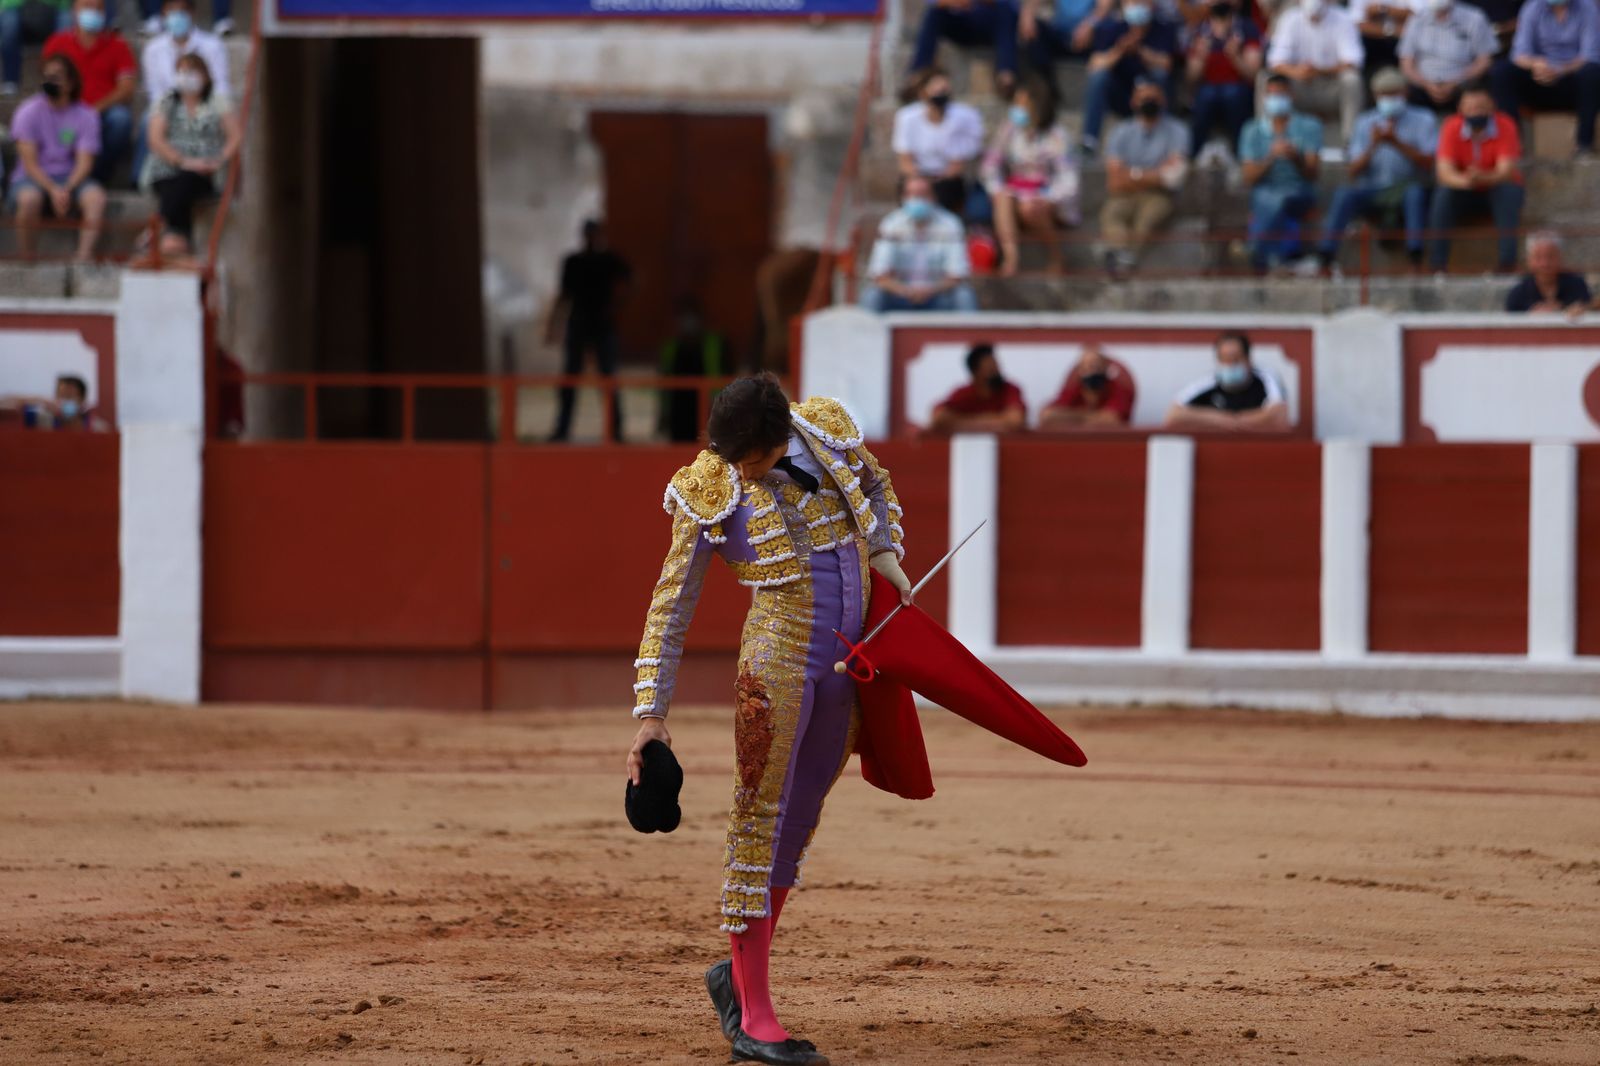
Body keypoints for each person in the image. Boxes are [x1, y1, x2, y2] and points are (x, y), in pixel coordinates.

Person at [628, 378, 913, 1066]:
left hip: (847, 663)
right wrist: (650, 716)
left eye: (749, 460)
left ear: (778, 437)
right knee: (759, 815)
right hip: (778, 658)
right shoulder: (710, 484)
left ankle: (737, 972)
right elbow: (672, 602)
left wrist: (883, 553)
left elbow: (877, 488)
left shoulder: (824, 431)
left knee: (800, 816)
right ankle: (754, 1015)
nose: (738, 473)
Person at [1316, 67, 1439, 270]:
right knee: (1344, 193)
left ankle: (1415, 253)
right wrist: (1374, 145)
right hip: (1372, 189)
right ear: (1375, 96)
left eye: (1394, 94)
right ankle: (1326, 253)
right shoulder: (1365, 122)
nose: (1389, 99)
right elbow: (1353, 170)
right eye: (1384, 94)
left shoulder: (1423, 119)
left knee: (1414, 194)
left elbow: (1429, 163)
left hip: (1407, 187)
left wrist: (1396, 142)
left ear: (1405, 92)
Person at [139, 52, 239, 259]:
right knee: (177, 181)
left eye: (192, 71)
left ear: (204, 75)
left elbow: (235, 136)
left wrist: (219, 159)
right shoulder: (167, 101)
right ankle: (177, 237)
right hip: (168, 166)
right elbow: (155, 139)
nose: (186, 76)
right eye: (182, 71)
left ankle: (159, 227)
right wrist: (183, 161)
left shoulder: (216, 101)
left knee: (188, 180)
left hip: (206, 170)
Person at [7, 52, 104, 261]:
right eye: (47, 77)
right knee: (29, 199)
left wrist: (66, 188)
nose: (50, 82)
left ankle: (82, 259)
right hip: (32, 179)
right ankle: (28, 259)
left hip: (70, 178)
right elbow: (29, 163)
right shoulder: (27, 112)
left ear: (70, 83)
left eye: (57, 77)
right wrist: (53, 189)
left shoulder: (87, 115)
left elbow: (85, 162)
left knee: (96, 198)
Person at [980, 78, 1080, 275]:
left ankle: (1056, 255)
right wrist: (995, 187)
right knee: (1003, 197)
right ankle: (1011, 257)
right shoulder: (1009, 130)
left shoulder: (1057, 137)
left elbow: (1068, 178)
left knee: (1030, 209)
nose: (1017, 109)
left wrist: (1048, 197)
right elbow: (990, 164)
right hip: (1016, 190)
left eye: (1022, 104)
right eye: (1016, 104)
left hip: (1046, 194)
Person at [546, 219, 631, 442]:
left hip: (602, 325)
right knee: (570, 380)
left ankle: (616, 430)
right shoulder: (574, 262)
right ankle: (562, 429)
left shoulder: (608, 260)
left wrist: (617, 307)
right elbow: (564, 296)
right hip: (580, 324)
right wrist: (553, 326)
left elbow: (632, 281)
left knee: (608, 379)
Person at [1428, 80, 1524, 271]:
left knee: (1508, 192)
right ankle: (1437, 265)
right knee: (1443, 195)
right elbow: (1444, 172)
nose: (1476, 112)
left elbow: (1505, 171)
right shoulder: (1450, 126)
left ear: (1492, 107)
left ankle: (1507, 263)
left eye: (1481, 107)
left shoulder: (1505, 124)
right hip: (1465, 188)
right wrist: (1467, 181)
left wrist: (1483, 178)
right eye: (1470, 108)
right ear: (1460, 109)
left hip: (1496, 188)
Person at [1101, 77, 1190, 276]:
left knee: (1148, 219)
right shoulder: (1120, 132)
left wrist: (1131, 174)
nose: (1149, 102)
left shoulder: (1178, 131)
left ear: (1163, 100)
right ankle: (1120, 257)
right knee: (1112, 214)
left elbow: (1173, 178)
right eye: (1144, 98)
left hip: (1160, 196)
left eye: (1154, 97)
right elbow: (1114, 181)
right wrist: (1155, 174)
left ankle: (1126, 262)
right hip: (1125, 195)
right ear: (1133, 101)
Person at [42, 0, 134, 185]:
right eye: (86, 6)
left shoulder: (117, 45)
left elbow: (127, 87)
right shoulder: (57, 42)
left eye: (98, 8)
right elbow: (47, 82)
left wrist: (94, 110)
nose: (92, 12)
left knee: (121, 119)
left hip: (102, 112)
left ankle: (97, 174)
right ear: (74, 11)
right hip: (65, 110)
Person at [1492, 0, 1600, 157]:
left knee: (1592, 73)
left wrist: (1560, 69)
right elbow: (1519, 55)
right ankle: (1514, 146)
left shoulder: (1588, 7)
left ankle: (1584, 145)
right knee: (1502, 72)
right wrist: (1537, 64)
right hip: (1539, 78)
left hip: (1574, 79)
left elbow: (1591, 55)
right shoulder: (1532, 7)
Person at [1239, 73, 1324, 271]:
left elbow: (1313, 174)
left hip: (1299, 190)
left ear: (1291, 96)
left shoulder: (1310, 126)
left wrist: (1296, 158)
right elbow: (1248, 176)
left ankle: (1256, 250)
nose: (1276, 99)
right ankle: (1280, 259)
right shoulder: (1252, 129)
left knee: (1277, 199)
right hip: (1264, 190)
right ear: (1264, 98)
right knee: (1267, 197)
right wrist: (1270, 158)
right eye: (1272, 95)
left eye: (1281, 94)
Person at [860, 176, 979, 313]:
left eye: (923, 194)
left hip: (937, 296)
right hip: (901, 296)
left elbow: (957, 275)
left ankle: (967, 335)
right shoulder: (891, 224)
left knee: (964, 296)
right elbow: (880, 275)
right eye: (912, 194)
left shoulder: (950, 224)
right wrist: (905, 291)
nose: (917, 199)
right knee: (872, 295)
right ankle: (866, 334)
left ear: (934, 197)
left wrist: (929, 290)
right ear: (903, 197)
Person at [1080, 0, 1181, 156]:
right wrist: (1119, 50)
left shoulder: (1164, 28)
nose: (1138, 5)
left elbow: (1167, 63)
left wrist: (1140, 50)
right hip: (1123, 97)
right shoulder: (1112, 28)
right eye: (1133, 1)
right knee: (1099, 77)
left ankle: (1164, 140)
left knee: (1160, 75)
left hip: (1151, 98)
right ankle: (1089, 140)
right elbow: (1094, 64)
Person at [1263, 0, 1365, 141]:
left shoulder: (1343, 18)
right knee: (1266, 78)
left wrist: (1320, 71)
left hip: (1330, 86)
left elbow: (1354, 61)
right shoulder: (1289, 18)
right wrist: (1297, 72)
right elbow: (1274, 61)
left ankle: (1351, 140)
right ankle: (1265, 137)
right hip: (1298, 86)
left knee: (1351, 80)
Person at [893, 69, 986, 217]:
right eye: (937, 90)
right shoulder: (907, 117)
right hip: (918, 176)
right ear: (923, 92)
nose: (941, 95)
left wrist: (934, 183)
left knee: (944, 194)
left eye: (945, 90)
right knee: (914, 190)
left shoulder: (964, 117)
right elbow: (905, 159)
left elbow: (958, 164)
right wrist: (919, 181)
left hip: (948, 179)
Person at [1164, 330, 1290, 431]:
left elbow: (1279, 414)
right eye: (1224, 359)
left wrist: (1237, 421)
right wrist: (1218, 418)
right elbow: (1173, 415)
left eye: (1235, 359)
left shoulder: (1266, 377)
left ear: (1248, 359)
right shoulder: (1210, 382)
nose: (1230, 365)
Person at [1184, 0, 1263, 159]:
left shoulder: (1247, 27)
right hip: (1208, 87)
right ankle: (1194, 155)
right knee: (1207, 96)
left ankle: (1242, 154)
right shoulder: (1201, 30)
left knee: (1232, 94)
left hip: (1239, 87)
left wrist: (1235, 57)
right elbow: (1191, 78)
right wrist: (1201, 56)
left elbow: (1253, 75)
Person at [905, 0, 1023, 100]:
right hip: (962, 23)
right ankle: (919, 72)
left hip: (992, 24)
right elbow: (933, 3)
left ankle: (1006, 74)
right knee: (933, 13)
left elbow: (1011, 6)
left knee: (1005, 12)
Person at [1399, 0, 1498, 113]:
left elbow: (1485, 60)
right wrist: (1426, 85)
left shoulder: (1474, 17)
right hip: (1422, 87)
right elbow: (1406, 63)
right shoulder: (1416, 19)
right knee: (1404, 92)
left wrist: (1455, 83)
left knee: (1476, 97)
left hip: (1463, 84)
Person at [658, 299, 728, 443]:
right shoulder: (670, 348)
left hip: (709, 411)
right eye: (683, 317)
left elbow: (727, 378)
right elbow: (664, 385)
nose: (688, 322)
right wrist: (663, 413)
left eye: (692, 316)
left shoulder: (715, 344)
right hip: (678, 414)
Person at [928, 343, 1027, 433]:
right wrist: (997, 420)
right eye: (989, 368)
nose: (995, 371)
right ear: (975, 373)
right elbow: (939, 418)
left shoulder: (1010, 389)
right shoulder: (963, 393)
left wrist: (961, 422)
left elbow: (1016, 421)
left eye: (996, 366)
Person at [1039, 344, 1138, 429]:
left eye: (1096, 366)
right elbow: (1047, 415)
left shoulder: (1118, 388)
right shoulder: (1075, 389)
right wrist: (1089, 416)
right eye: (1087, 367)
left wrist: (1071, 417)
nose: (1092, 371)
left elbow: (1112, 419)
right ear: (1080, 370)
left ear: (1105, 367)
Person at [1504, 231, 1592, 313]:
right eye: (1538, 257)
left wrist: (1567, 310)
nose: (1545, 263)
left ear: (1560, 258)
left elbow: (1590, 309)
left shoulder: (1577, 285)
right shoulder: (1518, 293)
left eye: (1550, 256)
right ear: (1529, 260)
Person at [1, 0, 69, 95]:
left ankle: (59, 79)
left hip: (55, 6)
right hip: (16, 6)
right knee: (9, 24)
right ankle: (10, 81)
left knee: (66, 25)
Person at [0, 373, 110, 430]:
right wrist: (40, 400)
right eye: (61, 396)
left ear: (82, 401)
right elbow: (4, 404)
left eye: (70, 396)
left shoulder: (97, 428)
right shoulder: (43, 420)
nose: (65, 401)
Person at [1350, 0, 1416, 84]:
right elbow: (1358, 25)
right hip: (1373, 45)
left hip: (1401, 43)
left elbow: (1416, 16)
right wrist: (1393, 29)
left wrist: (1383, 9)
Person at [140, 0, 229, 36]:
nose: (177, 14)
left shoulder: (212, 46)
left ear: (192, 13)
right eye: (172, 9)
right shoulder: (154, 49)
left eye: (182, 10)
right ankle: (153, 16)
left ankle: (222, 19)